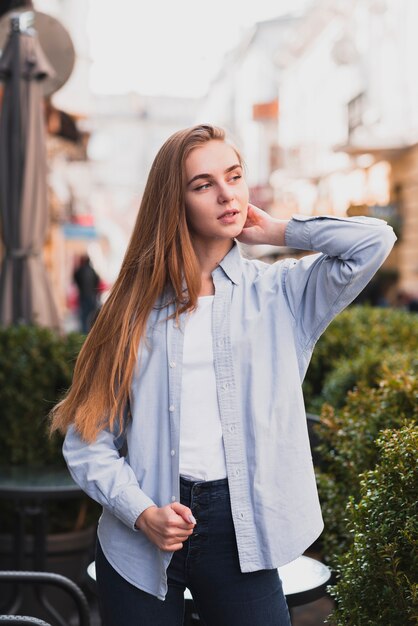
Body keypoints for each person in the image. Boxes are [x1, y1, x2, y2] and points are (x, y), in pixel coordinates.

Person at [50, 124, 396, 626]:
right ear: (176, 202)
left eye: (234, 176)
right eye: (203, 184)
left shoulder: (283, 294)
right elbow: (86, 440)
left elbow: (375, 240)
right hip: (140, 536)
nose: (226, 193)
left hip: (244, 530)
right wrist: (141, 512)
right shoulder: (127, 309)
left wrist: (279, 230)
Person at [73, 254, 100, 333]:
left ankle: (84, 331)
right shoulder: (92, 271)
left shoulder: (80, 270)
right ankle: (90, 330)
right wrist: (95, 291)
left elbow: (75, 277)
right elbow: (97, 281)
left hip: (83, 295)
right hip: (92, 295)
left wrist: (80, 287)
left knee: (84, 314)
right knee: (91, 314)